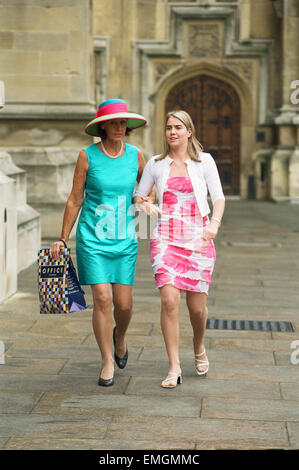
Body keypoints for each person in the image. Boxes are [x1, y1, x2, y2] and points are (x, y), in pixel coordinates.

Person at [50, 98, 152, 387]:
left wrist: (143, 200)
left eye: (123, 122)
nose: (120, 127)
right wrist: (61, 237)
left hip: (124, 239)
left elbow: (149, 188)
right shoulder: (87, 156)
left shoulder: (136, 155)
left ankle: (120, 337)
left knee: (125, 304)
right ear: (102, 126)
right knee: (102, 300)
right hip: (92, 238)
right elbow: (75, 198)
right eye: (114, 122)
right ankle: (107, 359)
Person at [134, 110, 225, 388]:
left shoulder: (204, 162)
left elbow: (218, 197)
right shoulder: (156, 163)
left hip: (199, 239)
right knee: (169, 301)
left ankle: (198, 345)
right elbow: (139, 195)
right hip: (166, 239)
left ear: (189, 132)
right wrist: (145, 204)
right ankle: (174, 366)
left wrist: (214, 225)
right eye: (168, 128)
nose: (172, 132)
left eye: (178, 127)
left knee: (196, 308)